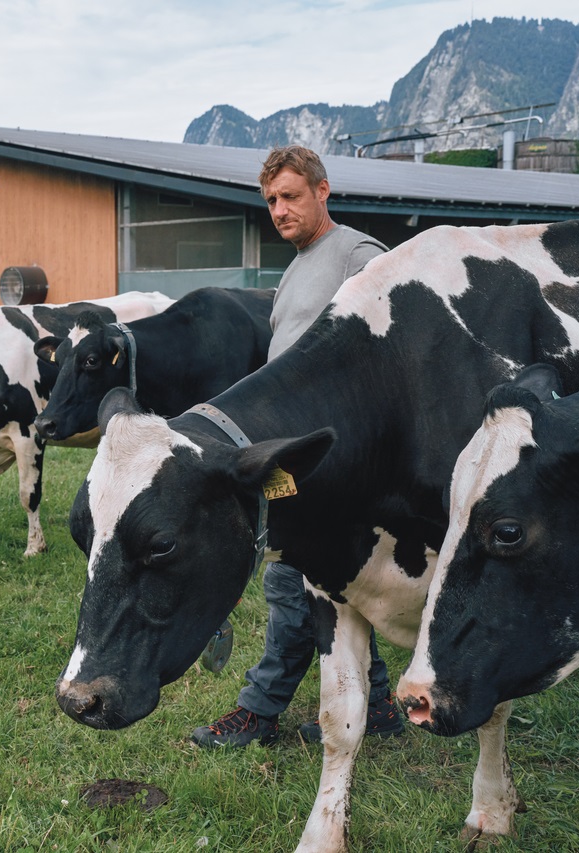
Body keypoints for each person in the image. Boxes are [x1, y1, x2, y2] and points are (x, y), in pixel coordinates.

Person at [192, 146, 402, 748]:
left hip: (332, 449)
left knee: (292, 575)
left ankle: (258, 711)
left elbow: (389, 354)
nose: (279, 211)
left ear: (322, 191)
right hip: (290, 444)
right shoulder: (296, 267)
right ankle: (380, 704)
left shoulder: (359, 255)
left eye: (290, 196)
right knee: (327, 581)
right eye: (271, 201)